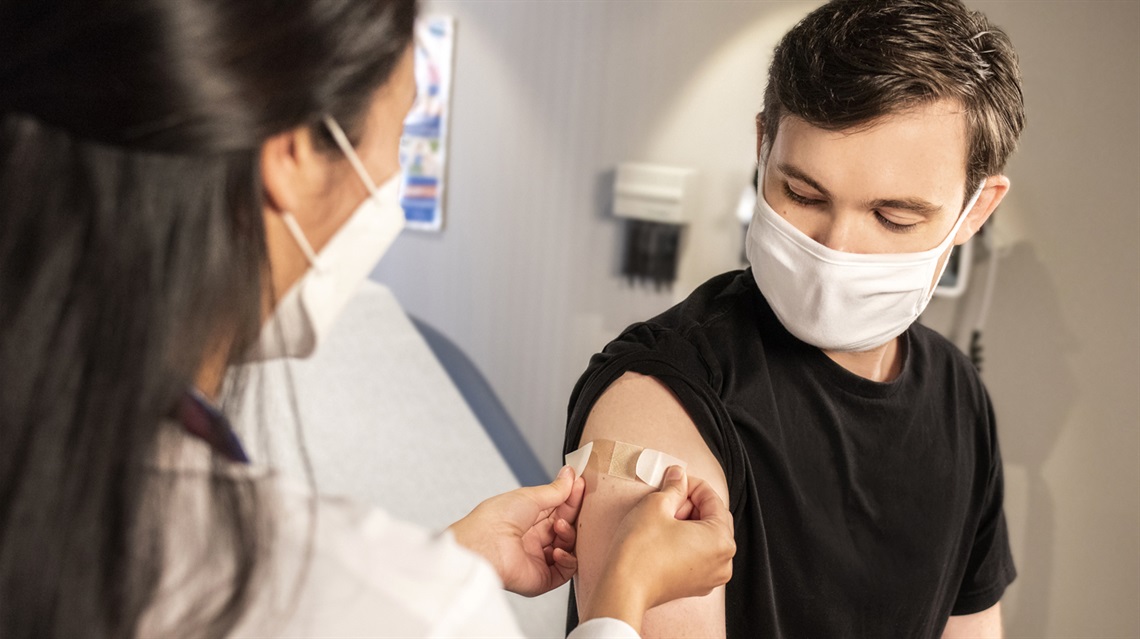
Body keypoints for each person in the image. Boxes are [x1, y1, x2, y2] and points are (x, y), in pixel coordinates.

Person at [0, 1, 736, 637]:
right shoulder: (400, 603)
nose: (392, 174)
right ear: (291, 153)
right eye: (406, 133)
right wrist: (618, 602)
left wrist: (448, 558)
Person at [563, 1, 1025, 637]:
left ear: (976, 210)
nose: (835, 248)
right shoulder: (662, 394)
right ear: (763, 146)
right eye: (803, 194)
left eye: (893, 217)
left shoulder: (960, 399)